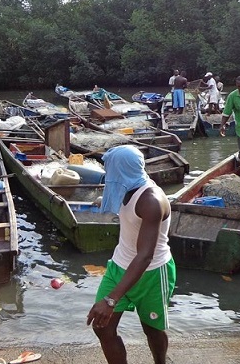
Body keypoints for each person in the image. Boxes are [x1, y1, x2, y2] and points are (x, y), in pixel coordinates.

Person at [87, 145, 176, 364]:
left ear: (121, 170)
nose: (108, 174)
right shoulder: (127, 187)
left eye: (110, 169)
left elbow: (145, 256)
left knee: (152, 330)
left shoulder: (151, 201)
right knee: (103, 328)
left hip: (152, 273)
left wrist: (111, 299)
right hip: (119, 266)